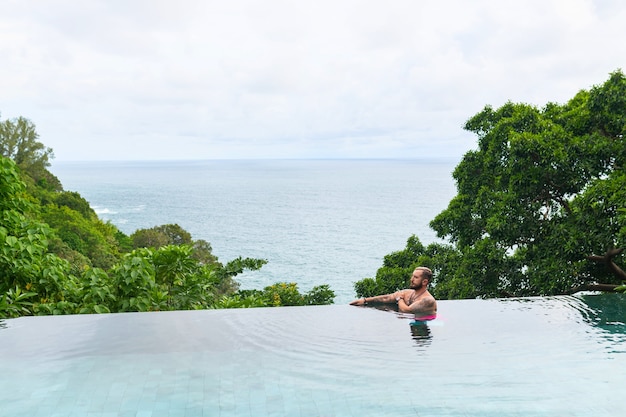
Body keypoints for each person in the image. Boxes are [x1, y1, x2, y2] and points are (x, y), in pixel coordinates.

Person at [349, 267, 437, 317]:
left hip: (424, 325)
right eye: (412, 276)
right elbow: (387, 298)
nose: (411, 280)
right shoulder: (408, 293)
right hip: (414, 323)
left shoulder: (427, 300)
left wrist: (399, 299)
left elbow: (406, 310)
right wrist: (365, 300)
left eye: (416, 278)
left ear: (424, 282)